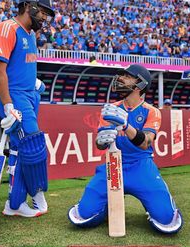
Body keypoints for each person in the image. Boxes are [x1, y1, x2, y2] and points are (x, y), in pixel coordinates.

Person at [68, 65, 183, 234]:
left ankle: (156, 204)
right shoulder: (111, 109)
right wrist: (101, 140)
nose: (120, 78)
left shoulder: (151, 112)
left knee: (166, 220)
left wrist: (125, 126)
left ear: (140, 85)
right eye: (121, 74)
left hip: (141, 166)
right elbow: (101, 144)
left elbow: (146, 143)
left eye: (127, 76)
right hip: (113, 165)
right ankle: (105, 207)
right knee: (83, 215)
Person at [0, 0, 55, 217]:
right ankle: (35, 198)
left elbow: (20, 64)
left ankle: (14, 204)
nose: (45, 18)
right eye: (43, 12)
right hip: (14, 96)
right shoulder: (7, 28)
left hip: (28, 94)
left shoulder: (30, 34)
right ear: (29, 6)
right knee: (33, 146)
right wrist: (8, 105)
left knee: (20, 149)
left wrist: (34, 82)